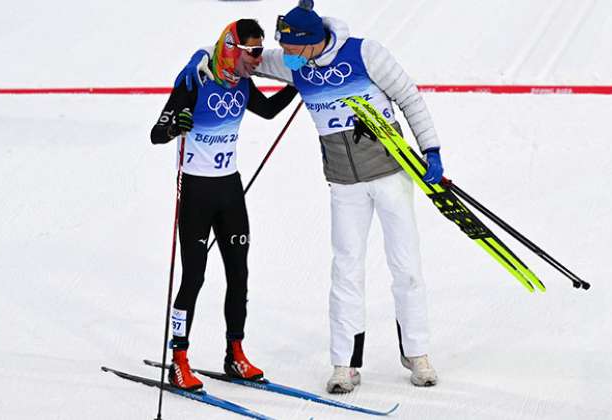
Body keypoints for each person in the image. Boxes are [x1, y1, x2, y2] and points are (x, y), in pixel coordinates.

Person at [181, 0, 442, 393]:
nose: (283, 57)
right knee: (345, 270)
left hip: (390, 175)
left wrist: (432, 149)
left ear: (310, 43)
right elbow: (241, 58)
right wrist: (201, 58)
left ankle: (417, 354)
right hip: (343, 182)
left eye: (290, 49)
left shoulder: (365, 53)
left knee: (406, 267)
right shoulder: (291, 61)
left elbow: (409, 98)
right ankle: (344, 364)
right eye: (282, 50)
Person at [150, 18, 298, 390]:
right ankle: (179, 359)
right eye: (251, 51)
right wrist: (175, 127)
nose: (257, 59)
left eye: (260, 51)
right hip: (197, 192)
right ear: (231, 47)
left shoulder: (242, 84)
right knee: (194, 277)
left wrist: (299, 84)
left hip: (229, 191)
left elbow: (266, 111)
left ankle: (235, 354)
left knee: (239, 274)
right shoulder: (195, 79)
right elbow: (157, 134)